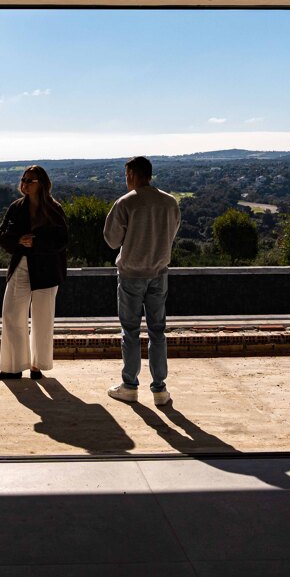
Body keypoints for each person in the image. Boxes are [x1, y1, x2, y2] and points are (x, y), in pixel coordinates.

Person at [102, 156, 180, 406]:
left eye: (127, 175)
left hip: (131, 274)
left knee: (130, 331)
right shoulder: (170, 202)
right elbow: (172, 233)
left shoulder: (126, 203)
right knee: (158, 331)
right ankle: (160, 389)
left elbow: (112, 240)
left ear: (133, 175)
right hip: (159, 273)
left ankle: (129, 385)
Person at [0, 165, 68, 381]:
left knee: (43, 319)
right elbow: (0, 234)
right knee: (11, 314)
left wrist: (36, 242)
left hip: (47, 268)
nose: (24, 183)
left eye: (30, 180)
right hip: (21, 265)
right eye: (23, 179)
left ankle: (36, 366)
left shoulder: (54, 209)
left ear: (41, 184)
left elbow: (62, 240)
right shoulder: (16, 207)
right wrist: (18, 240)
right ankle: (12, 367)